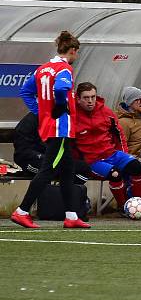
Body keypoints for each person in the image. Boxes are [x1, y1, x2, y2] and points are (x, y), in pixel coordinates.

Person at [12, 30, 90, 229]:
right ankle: (22, 211)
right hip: (60, 128)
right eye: (77, 52)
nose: (77, 56)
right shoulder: (64, 70)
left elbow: (25, 92)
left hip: (50, 125)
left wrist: (41, 112)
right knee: (48, 170)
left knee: (67, 170)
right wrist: (59, 106)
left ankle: (71, 215)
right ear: (72, 50)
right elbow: (61, 88)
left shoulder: (42, 69)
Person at [73, 82, 141, 213]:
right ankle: (123, 207)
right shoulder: (72, 116)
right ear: (78, 99)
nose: (90, 101)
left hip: (112, 154)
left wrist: (124, 155)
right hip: (93, 161)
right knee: (115, 174)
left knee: (137, 167)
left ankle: (138, 204)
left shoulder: (106, 112)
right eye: (86, 98)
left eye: (93, 97)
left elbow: (119, 134)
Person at [13, 111, 92, 184]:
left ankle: (62, 195)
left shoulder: (61, 116)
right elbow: (22, 150)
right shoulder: (32, 118)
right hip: (31, 160)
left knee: (83, 168)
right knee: (50, 171)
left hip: (52, 159)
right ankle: (58, 195)